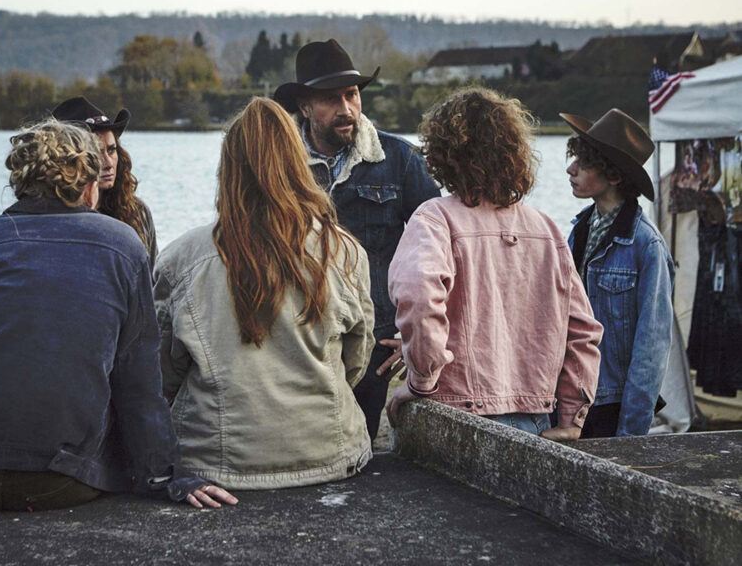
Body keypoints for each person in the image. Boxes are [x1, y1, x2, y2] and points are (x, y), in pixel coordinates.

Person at [0, 119, 236, 511]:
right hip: (57, 481)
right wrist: (168, 476)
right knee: (110, 451)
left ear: (20, 182)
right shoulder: (123, 245)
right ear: (90, 187)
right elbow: (140, 387)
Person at [154, 97, 374, 489]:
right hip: (328, 451)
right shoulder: (343, 252)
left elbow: (162, 374)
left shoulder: (180, 260)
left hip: (215, 463)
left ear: (229, 168)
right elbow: (356, 360)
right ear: (297, 163)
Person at [385, 88, 602, 440]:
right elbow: (583, 329)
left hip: (454, 416)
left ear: (443, 153)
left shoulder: (435, 219)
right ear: (514, 152)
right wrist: (571, 418)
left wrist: (420, 381)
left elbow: (418, 297)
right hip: (536, 418)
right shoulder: (546, 229)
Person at [273, 39, 440, 441]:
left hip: (377, 343)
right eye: (331, 99)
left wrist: (416, 338)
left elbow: (439, 254)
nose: (346, 108)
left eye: (352, 95)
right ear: (305, 106)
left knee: (368, 456)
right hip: (299, 338)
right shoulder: (279, 162)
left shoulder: (400, 160)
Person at [562, 108, 675, 437]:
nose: (571, 169)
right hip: (573, 398)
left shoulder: (646, 245)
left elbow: (651, 350)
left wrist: (630, 436)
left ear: (613, 176)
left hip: (611, 404)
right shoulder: (579, 229)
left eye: (584, 163)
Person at [52, 96, 158, 260]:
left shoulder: (137, 212)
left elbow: (151, 281)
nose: (108, 163)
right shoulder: (46, 219)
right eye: (96, 153)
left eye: (111, 150)